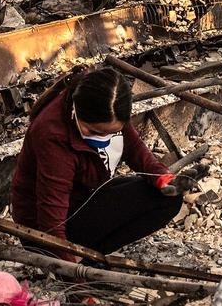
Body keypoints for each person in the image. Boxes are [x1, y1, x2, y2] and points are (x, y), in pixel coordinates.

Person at [11, 66, 183, 256]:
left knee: (167, 199)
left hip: (83, 202)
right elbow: (51, 221)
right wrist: (75, 276)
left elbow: (135, 151)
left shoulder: (109, 106)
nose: (102, 138)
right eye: (94, 132)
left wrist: (163, 179)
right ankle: (84, 259)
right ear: (76, 111)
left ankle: (91, 256)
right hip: (42, 232)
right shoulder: (53, 135)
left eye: (111, 133)